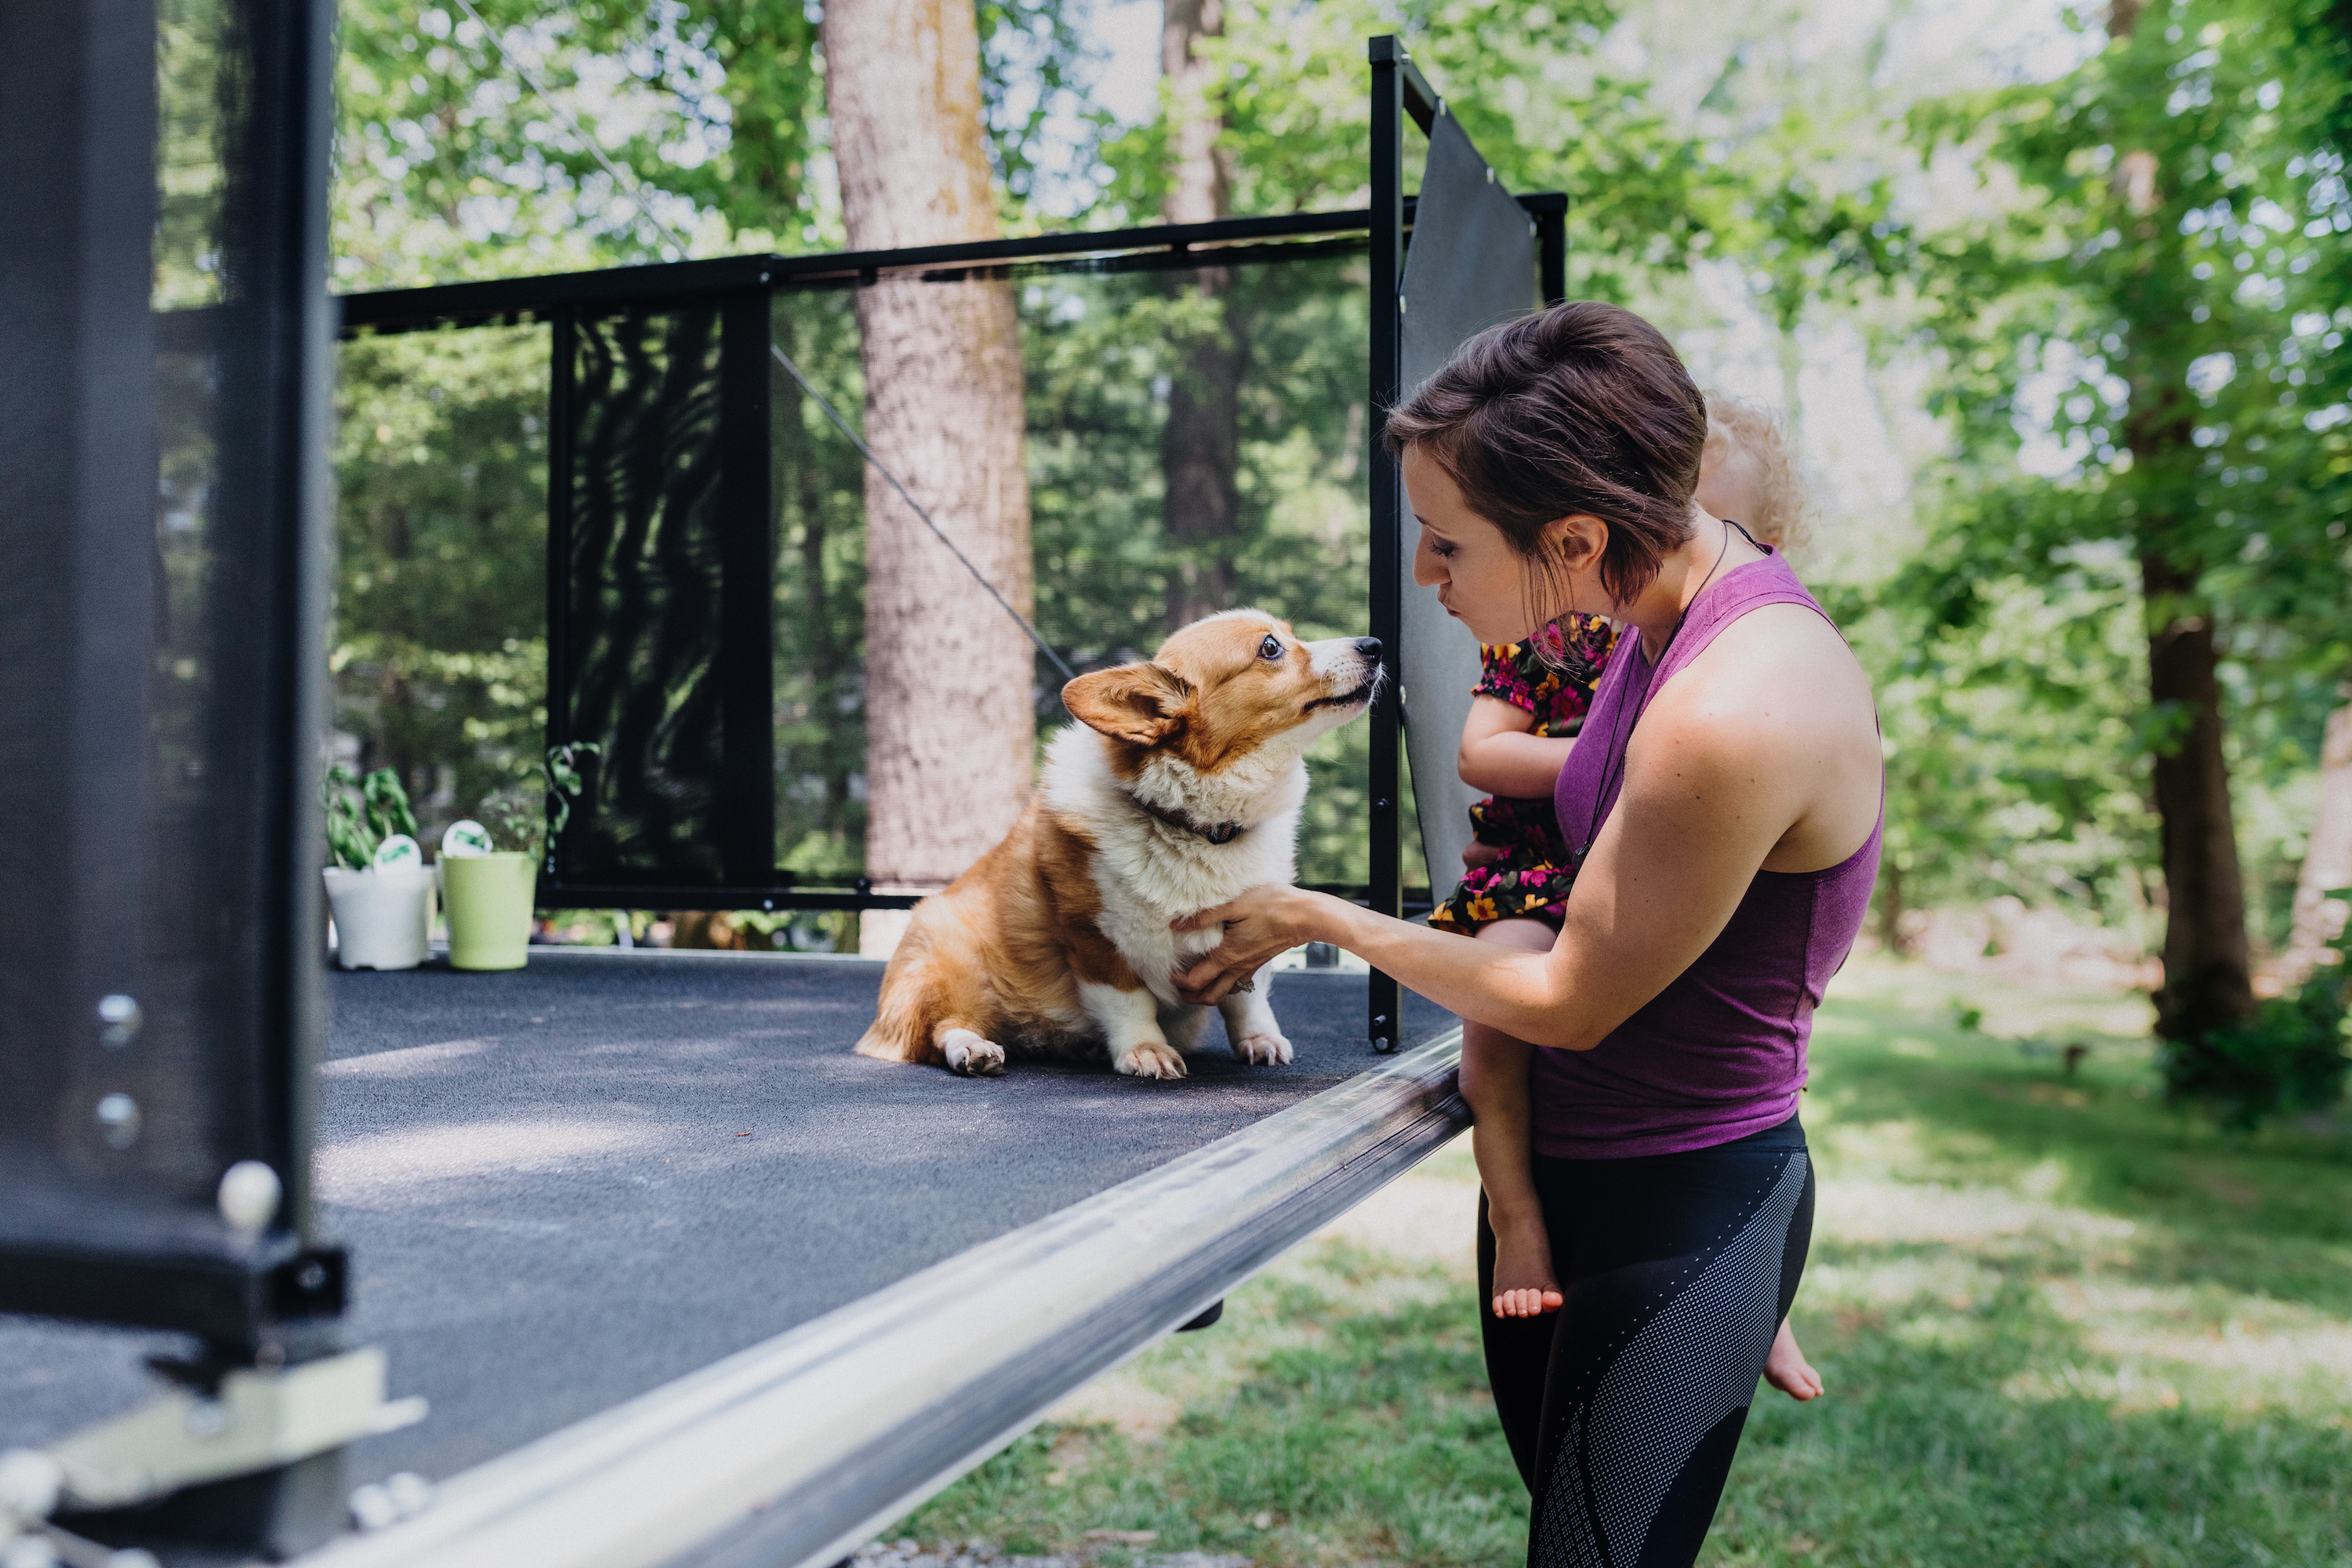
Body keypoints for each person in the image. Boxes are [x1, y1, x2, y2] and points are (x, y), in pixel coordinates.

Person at [1171, 303, 1881, 1566]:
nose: (1424, 579)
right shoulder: (1653, 607)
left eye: (1447, 546)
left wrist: (1311, 915)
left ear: (1575, 538)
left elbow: (1568, 999)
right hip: (1565, 1184)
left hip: (1676, 1201)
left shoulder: (1737, 699)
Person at [1439, 387, 1824, 1403]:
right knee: (1493, 1032)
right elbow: (1482, 752)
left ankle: (1755, 1297)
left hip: (1694, 1142)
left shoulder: (1733, 665)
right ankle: (1514, 1213)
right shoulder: (1561, 634)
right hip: (1539, 878)